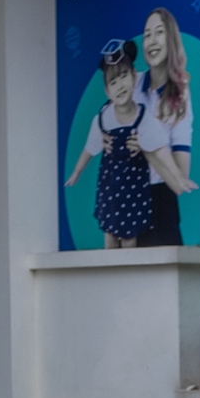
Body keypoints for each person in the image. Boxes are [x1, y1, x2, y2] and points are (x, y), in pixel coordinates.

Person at [63, 41, 152, 247]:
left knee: (130, 235)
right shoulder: (103, 117)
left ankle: (128, 275)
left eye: (124, 76)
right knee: (110, 230)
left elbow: (157, 144)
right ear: (107, 90)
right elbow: (89, 147)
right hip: (111, 185)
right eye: (113, 81)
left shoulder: (143, 111)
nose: (120, 85)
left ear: (133, 75)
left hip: (134, 184)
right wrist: (77, 171)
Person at [132, 7, 199, 246]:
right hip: (126, 196)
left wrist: (148, 146)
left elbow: (180, 177)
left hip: (160, 203)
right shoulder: (131, 85)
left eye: (159, 32)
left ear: (170, 39)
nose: (151, 40)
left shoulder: (180, 97)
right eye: (147, 34)